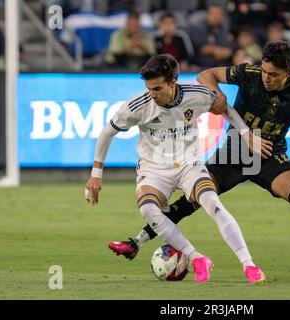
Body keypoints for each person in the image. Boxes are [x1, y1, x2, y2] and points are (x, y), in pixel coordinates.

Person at [110, 41, 290, 274]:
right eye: (264, 70)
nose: (266, 77)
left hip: (270, 155)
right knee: (193, 201)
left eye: (273, 74)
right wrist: (217, 97)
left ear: (289, 72)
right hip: (234, 152)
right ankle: (136, 242)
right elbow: (207, 74)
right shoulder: (248, 73)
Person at [85, 54, 271, 283]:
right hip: (153, 170)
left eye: (157, 88)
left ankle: (249, 265)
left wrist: (246, 134)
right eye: (148, 88)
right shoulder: (138, 105)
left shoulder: (197, 95)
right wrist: (96, 174)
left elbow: (225, 108)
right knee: (148, 210)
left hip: (188, 165)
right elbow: (107, 133)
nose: (152, 94)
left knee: (212, 203)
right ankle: (197, 258)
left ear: (173, 83)